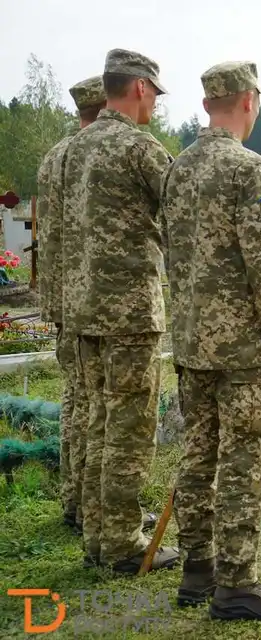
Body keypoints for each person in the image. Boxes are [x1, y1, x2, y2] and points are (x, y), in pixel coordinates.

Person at [159, 61, 261, 622]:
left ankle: (198, 567)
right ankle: (237, 583)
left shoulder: (178, 169)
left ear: (206, 105)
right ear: (249, 102)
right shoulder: (250, 169)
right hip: (242, 348)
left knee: (198, 452)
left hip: (192, 342)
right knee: (244, 458)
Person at [60, 48, 176, 574]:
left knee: (99, 424)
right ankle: (123, 544)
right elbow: (181, 213)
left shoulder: (75, 148)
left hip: (84, 310)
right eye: (154, 94)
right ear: (139, 88)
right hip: (129, 313)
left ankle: (98, 534)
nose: (154, 105)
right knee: (128, 429)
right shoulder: (139, 147)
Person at [37, 75, 106, 536]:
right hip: (89, 301)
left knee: (74, 400)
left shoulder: (55, 155)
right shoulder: (92, 155)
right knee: (94, 407)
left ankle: (74, 499)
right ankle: (93, 508)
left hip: (62, 301)